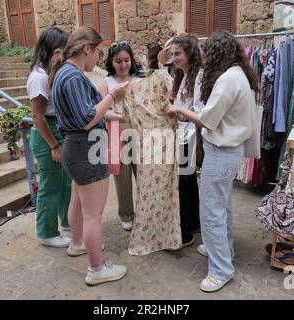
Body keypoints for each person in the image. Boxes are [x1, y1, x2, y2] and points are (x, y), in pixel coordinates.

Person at [164, 31, 259, 292]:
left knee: (211, 213)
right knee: (222, 207)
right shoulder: (238, 74)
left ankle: (221, 270)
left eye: (208, 52)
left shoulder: (228, 79)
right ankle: (223, 251)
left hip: (221, 153)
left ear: (218, 52)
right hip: (228, 152)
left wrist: (179, 110)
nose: (204, 57)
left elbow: (207, 119)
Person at [48, 26, 129, 286]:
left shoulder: (67, 73)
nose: (98, 59)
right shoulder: (72, 76)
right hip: (85, 148)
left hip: (77, 148)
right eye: (98, 53)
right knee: (94, 213)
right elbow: (86, 119)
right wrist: (112, 95)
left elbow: (91, 112)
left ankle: (77, 242)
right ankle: (96, 269)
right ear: (87, 49)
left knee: (78, 202)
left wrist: (120, 116)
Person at [27, 27, 71, 248]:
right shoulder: (39, 77)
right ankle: (47, 232)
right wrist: (54, 145)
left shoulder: (48, 73)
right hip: (48, 134)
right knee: (50, 186)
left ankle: (67, 223)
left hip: (57, 130)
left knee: (64, 183)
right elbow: (38, 116)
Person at [98, 40, 144, 232]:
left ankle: (145, 212)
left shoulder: (140, 81)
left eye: (126, 60)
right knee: (122, 178)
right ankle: (126, 215)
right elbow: (102, 112)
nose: (123, 65)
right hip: (117, 134)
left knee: (144, 175)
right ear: (111, 62)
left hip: (141, 133)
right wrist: (123, 117)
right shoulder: (105, 83)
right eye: (118, 61)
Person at [168, 34, 203, 249]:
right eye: (172, 54)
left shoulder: (198, 77)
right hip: (183, 135)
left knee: (183, 184)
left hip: (189, 137)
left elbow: (198, 111)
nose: (173, 58)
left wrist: (178, 113)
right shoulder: (183, 75)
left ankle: (185, 233)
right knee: (188, 182)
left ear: (189, 53)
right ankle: (194, 223)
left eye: (177, 53)